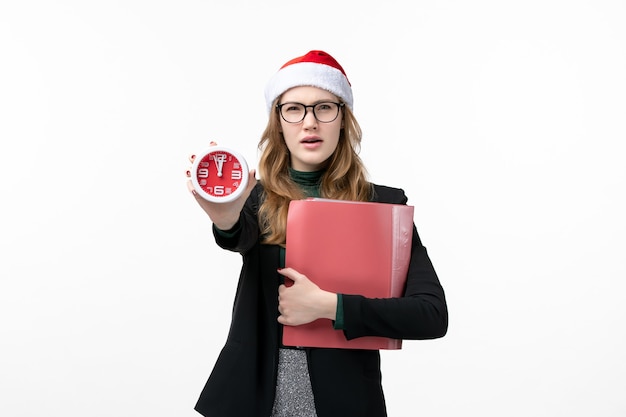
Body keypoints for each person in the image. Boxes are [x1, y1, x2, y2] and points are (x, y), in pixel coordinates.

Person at [186, 50, 448, 417]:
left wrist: (331, 306)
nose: (309, 122)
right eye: (294, 109)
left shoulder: (383, 207)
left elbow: (431, 314)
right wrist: (225, 215)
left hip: (344, 400)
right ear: (278, 122)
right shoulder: (255, 197)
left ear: (343, 119)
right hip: (253, 398)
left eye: (324, 107)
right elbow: (237, 236)